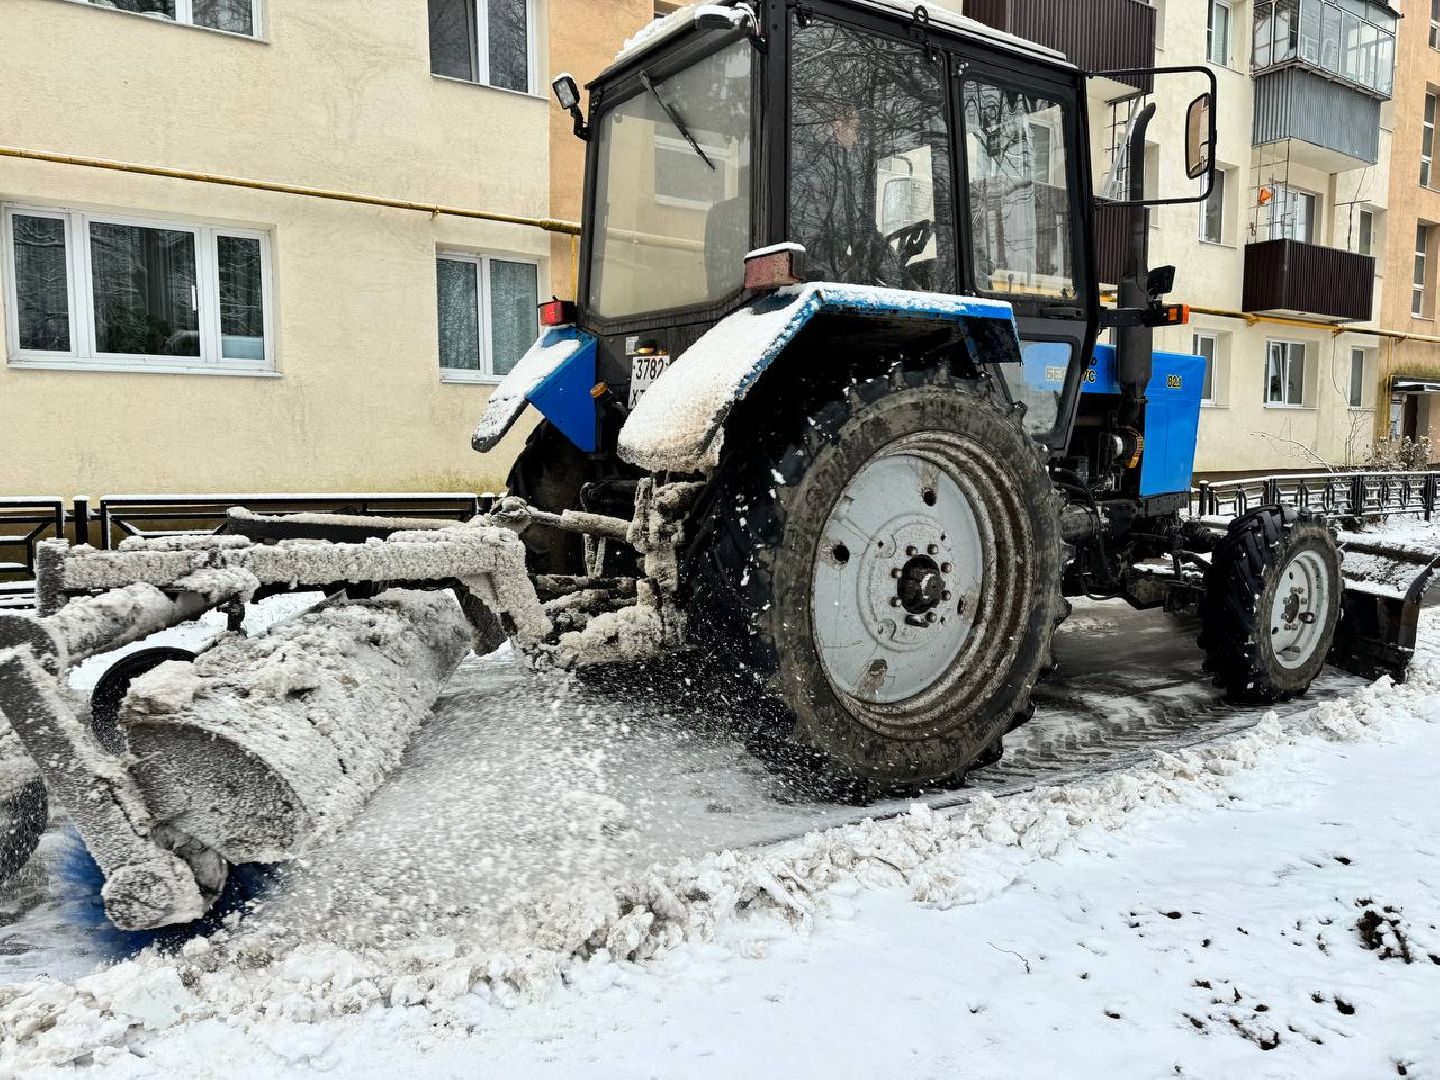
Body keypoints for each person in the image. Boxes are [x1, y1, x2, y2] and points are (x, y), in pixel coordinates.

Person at [793, 104, 905, 287]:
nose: (856, 137)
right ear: (836, 127)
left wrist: (901, 276)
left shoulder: (850, 172)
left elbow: (863, 227)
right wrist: (843, 262)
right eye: (854, 128)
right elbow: (814, 233)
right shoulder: (820, 173)